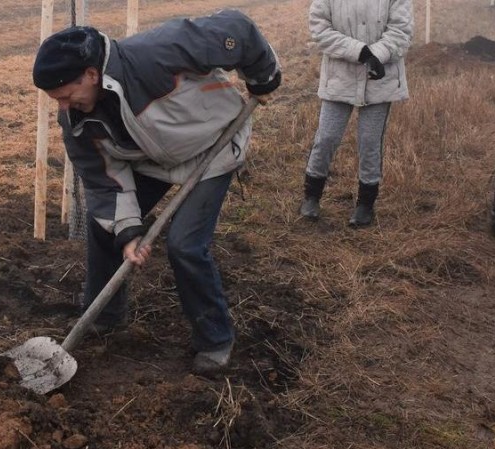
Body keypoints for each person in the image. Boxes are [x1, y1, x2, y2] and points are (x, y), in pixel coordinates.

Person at [32, 9, 281, 373]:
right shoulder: (76, 119)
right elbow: (103, 179)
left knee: (185, 244)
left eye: (66, 95)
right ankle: (105, 315)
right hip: (151, 158)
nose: (63, 107)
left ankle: (215, 339)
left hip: (211, 145)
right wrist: (129, 231)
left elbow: (237, 30)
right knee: (105, 227)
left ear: (90, 74)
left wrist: (263, 77)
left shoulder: (156, 54)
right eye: (57, 100)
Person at [299, 0, 413, 227]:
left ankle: (365, 204)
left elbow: (401, 30)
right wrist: (360, 52)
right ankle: (311, 196)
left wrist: (377, 55)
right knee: (327, 137)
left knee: (370, 141)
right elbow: (320, 28)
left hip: (380, 79)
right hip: (339, 77)